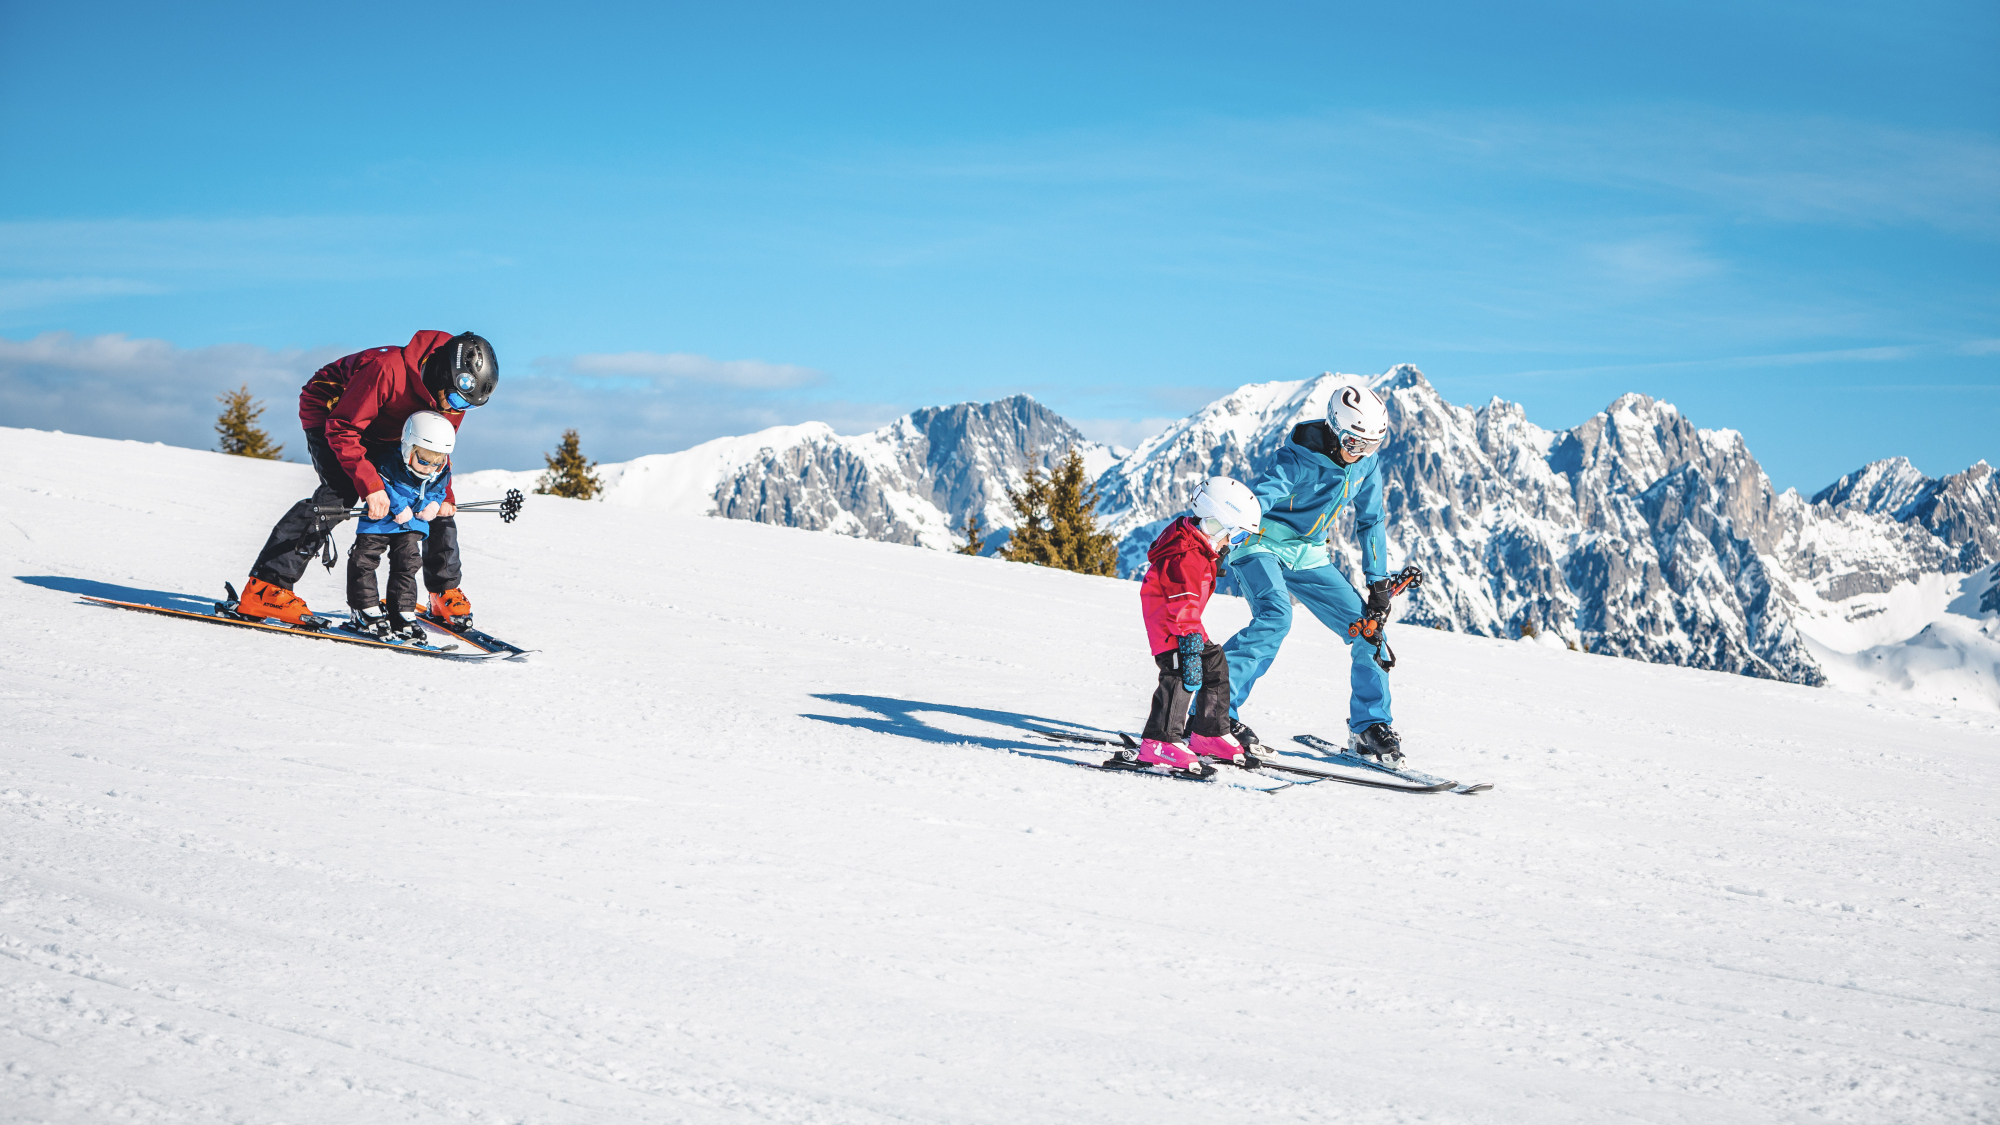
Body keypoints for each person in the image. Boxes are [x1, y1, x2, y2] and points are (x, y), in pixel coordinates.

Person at [234, 331, 498, 626]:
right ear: (443, 375)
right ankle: (267, 587)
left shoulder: (452, 400)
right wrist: (371, 486)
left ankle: (443, 592)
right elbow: (343, 428)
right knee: (341, 492)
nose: (455, 410)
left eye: (468, 407)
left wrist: (444, 495)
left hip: (391, 428)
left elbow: (436, 453)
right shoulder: (387, 370)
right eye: (456, 400)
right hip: (335, 413)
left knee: (428, 498)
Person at [1221, 378, 1407, 762]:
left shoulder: (1366, 464)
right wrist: (1232, 526)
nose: (1360, 453)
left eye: (1371, 445)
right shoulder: (1297, 458)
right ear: (1335, 429)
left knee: (1369, 631)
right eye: (1354, 443)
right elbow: (1266, 493)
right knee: (1275, 618)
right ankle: (1213, 713)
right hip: (1261, 542)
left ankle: (1369, 725)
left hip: (1308, 553)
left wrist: (1378, 583)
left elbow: (1371, 520)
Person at [1109, 477, 1264, 777]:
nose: (1233, 544)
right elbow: (1182, 604)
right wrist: (1190, 643)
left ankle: (1209, 733)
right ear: (1216, 524)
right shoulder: (1186, 556)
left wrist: (1195, 639)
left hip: (1186, 625)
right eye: (1236, 536)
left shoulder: (1197, 548)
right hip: (1171, 628)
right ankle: (1159, 740)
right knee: (1180, 672)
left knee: (1214, 663)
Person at [347, 412, 456, 641]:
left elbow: (439, 488)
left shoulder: (440, 472)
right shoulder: (389, 461)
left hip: (411, 525)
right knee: (364, 560)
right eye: (423, 461)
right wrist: (398, 507)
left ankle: (402, 614)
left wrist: (434, 505)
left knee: (407, 564)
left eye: (436, 462)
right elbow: (381, 482)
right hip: (379, 523)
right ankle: (365, 609)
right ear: (408, 449)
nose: (429, 468)